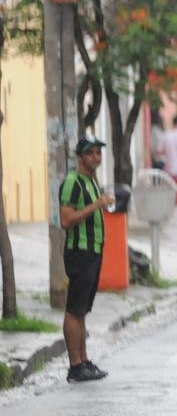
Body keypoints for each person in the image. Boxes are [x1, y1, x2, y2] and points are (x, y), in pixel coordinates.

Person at [58, 137, 115, 383]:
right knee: (74, 309)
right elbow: (65, 219)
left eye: (98, 153)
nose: (96, 157)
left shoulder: (91, 181)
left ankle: (83, 361)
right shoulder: (73, 182)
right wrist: (96, 205)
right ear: (80, 157)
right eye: (90, 153)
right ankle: (74, 365)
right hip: (79, 251)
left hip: (93, 251)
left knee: (82, 310)